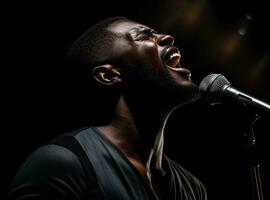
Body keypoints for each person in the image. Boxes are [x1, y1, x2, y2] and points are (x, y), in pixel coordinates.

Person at [7, 16, 207, 200]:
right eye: (144, 36)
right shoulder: (60, 163)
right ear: (109, 75)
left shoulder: (193, 189)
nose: (167, 37)